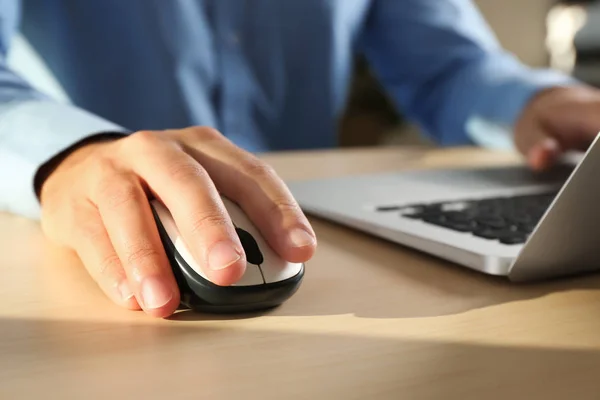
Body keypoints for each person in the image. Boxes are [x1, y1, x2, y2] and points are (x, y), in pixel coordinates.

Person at [2, 0, 600, 318]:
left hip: (309, 223)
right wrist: (66, 154)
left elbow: (449, 64)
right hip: (79, 225)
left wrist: (539, 101)